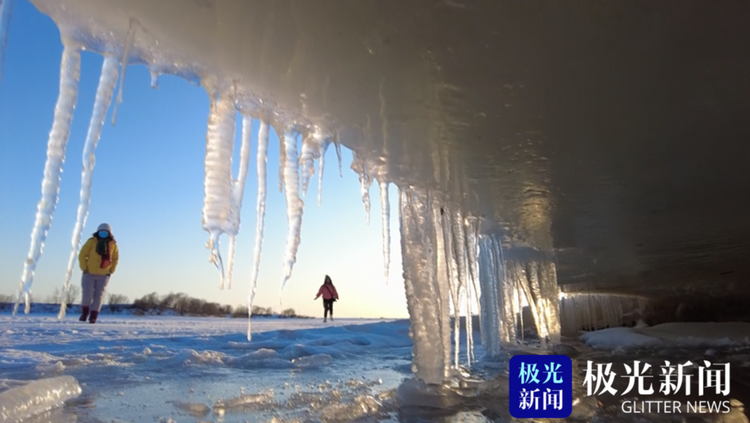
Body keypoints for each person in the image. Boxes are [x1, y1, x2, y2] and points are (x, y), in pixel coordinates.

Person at [78, 223, 119, 324]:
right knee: (87, 294)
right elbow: (82, 255)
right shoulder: (91, 242)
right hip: (89, 273)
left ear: (109, 233)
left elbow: (115, 258)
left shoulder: (113, 245)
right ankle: (84, 314)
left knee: (99, 296)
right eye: (101, 232)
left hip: (103, 274)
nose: (103, 234)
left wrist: (111, 270)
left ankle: (93, 317)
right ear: (98, 232)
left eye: (106, 232)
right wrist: (84, 268)